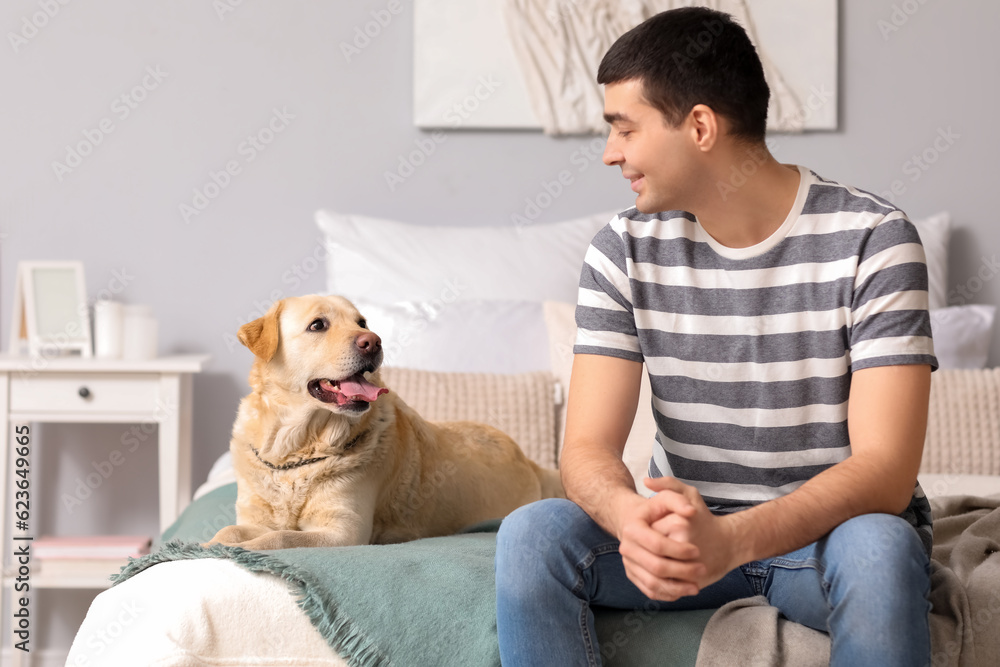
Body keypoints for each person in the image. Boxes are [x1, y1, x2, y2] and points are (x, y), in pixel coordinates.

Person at [495, 7, 936, 667]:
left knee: (880, 545)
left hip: (824, 542)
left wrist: (731, 539)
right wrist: (627, 516)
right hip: (682, 540)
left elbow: (885, 472)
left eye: (624, 128)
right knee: (532, 533)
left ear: (700, 126)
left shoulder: (874, 239)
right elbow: (586, 448)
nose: (611, 152)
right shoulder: (623, 249)